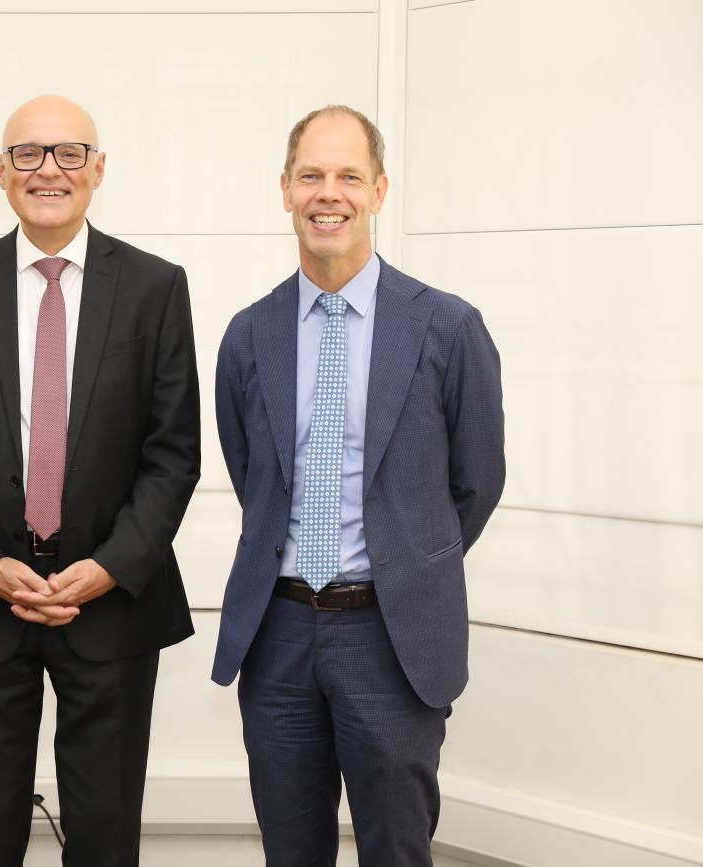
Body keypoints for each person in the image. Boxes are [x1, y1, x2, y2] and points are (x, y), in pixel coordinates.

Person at [0, 94, 200, 866]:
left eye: (69, 153)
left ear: (98, 169)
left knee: (105, 838)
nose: (48, 170)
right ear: (1, 171)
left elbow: (173, 452)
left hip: (112, 602)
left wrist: (107, 568)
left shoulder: (157, 287)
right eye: (28, 153)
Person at [211, 105, 506, 866]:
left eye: (347, 175)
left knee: (396, 851)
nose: (327, 193)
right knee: (290, 852)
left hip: (391, 637)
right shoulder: (249, 333)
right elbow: (254, 476)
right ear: (284, 190)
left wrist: (406, 559)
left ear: (380, 189)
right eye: (311, 175)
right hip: (277, 638)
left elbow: (476, 482)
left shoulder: (447, 326)